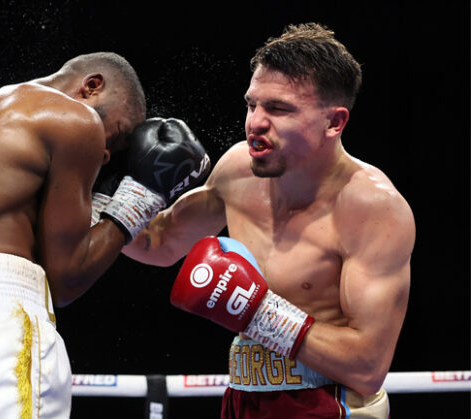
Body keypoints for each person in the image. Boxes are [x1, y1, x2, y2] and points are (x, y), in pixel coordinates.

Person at [123, 23, 415, 418]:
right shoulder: (238, 170)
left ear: (335, 122)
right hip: (244, 399)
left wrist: (258, 314)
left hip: (329, 405)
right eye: (252, 104)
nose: (255, 122)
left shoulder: (372, 209)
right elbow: (158, 243)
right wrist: (102, 193)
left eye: (278, 109)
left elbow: (367, 367)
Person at [0, 52, 210, 418]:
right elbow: (66, 279)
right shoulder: (75, 118)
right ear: (91, 87)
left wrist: (99, 201)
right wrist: (144, 195)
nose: (107, 155)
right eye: (115, 135)